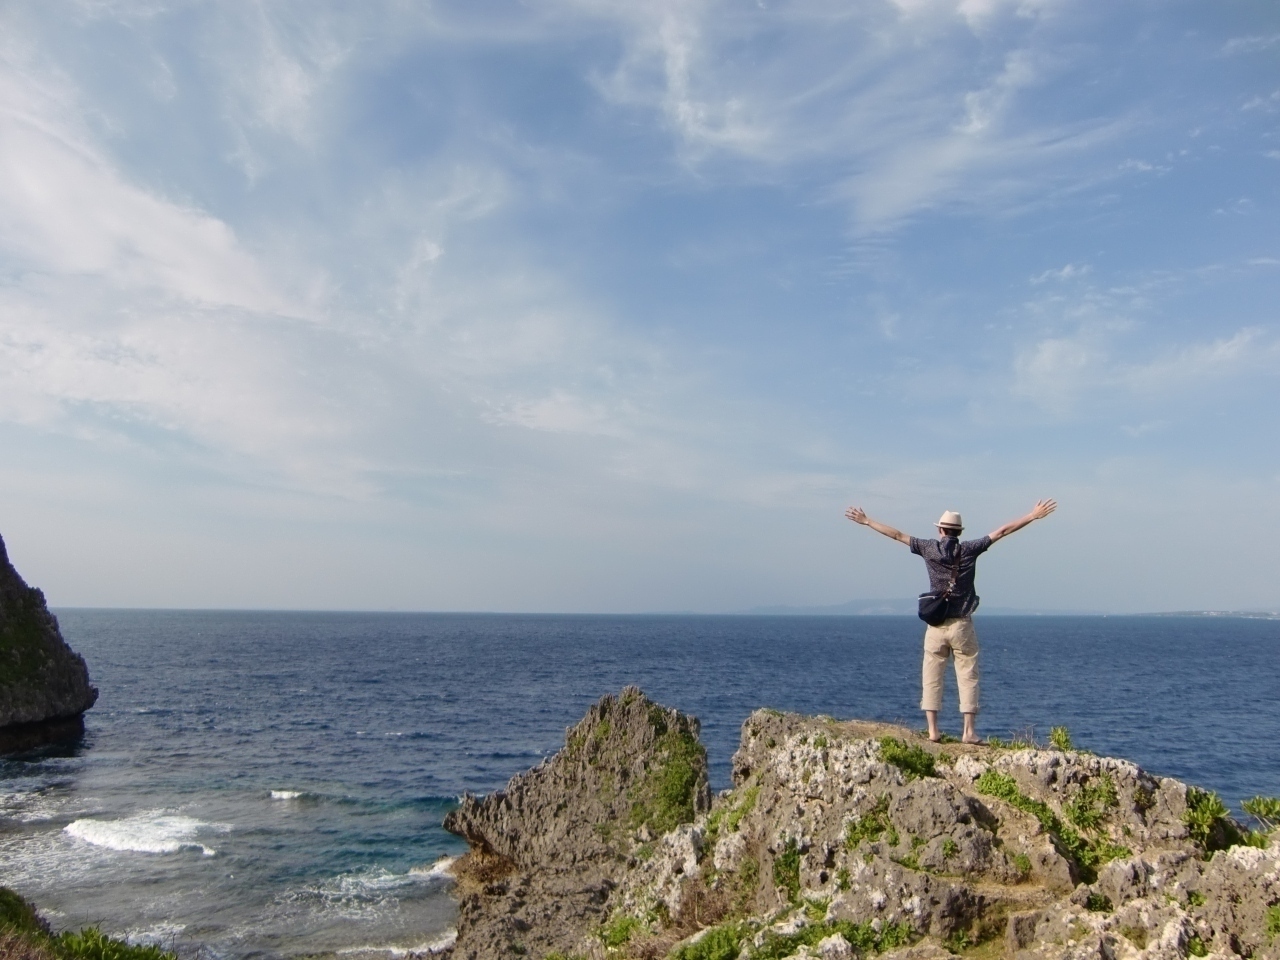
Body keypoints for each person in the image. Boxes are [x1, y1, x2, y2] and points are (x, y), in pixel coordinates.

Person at [844, 500, 1057, 743]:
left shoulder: (928, 548)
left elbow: (897, 535)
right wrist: (1032, 515)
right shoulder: (969, 549)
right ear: (959, 532)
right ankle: (968, 732)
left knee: (931, 675)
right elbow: (1002, 531)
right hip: (962, 624)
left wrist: (867, 521)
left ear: (940, 530)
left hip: (936, 624)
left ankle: (933, 730)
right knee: (968, 675)